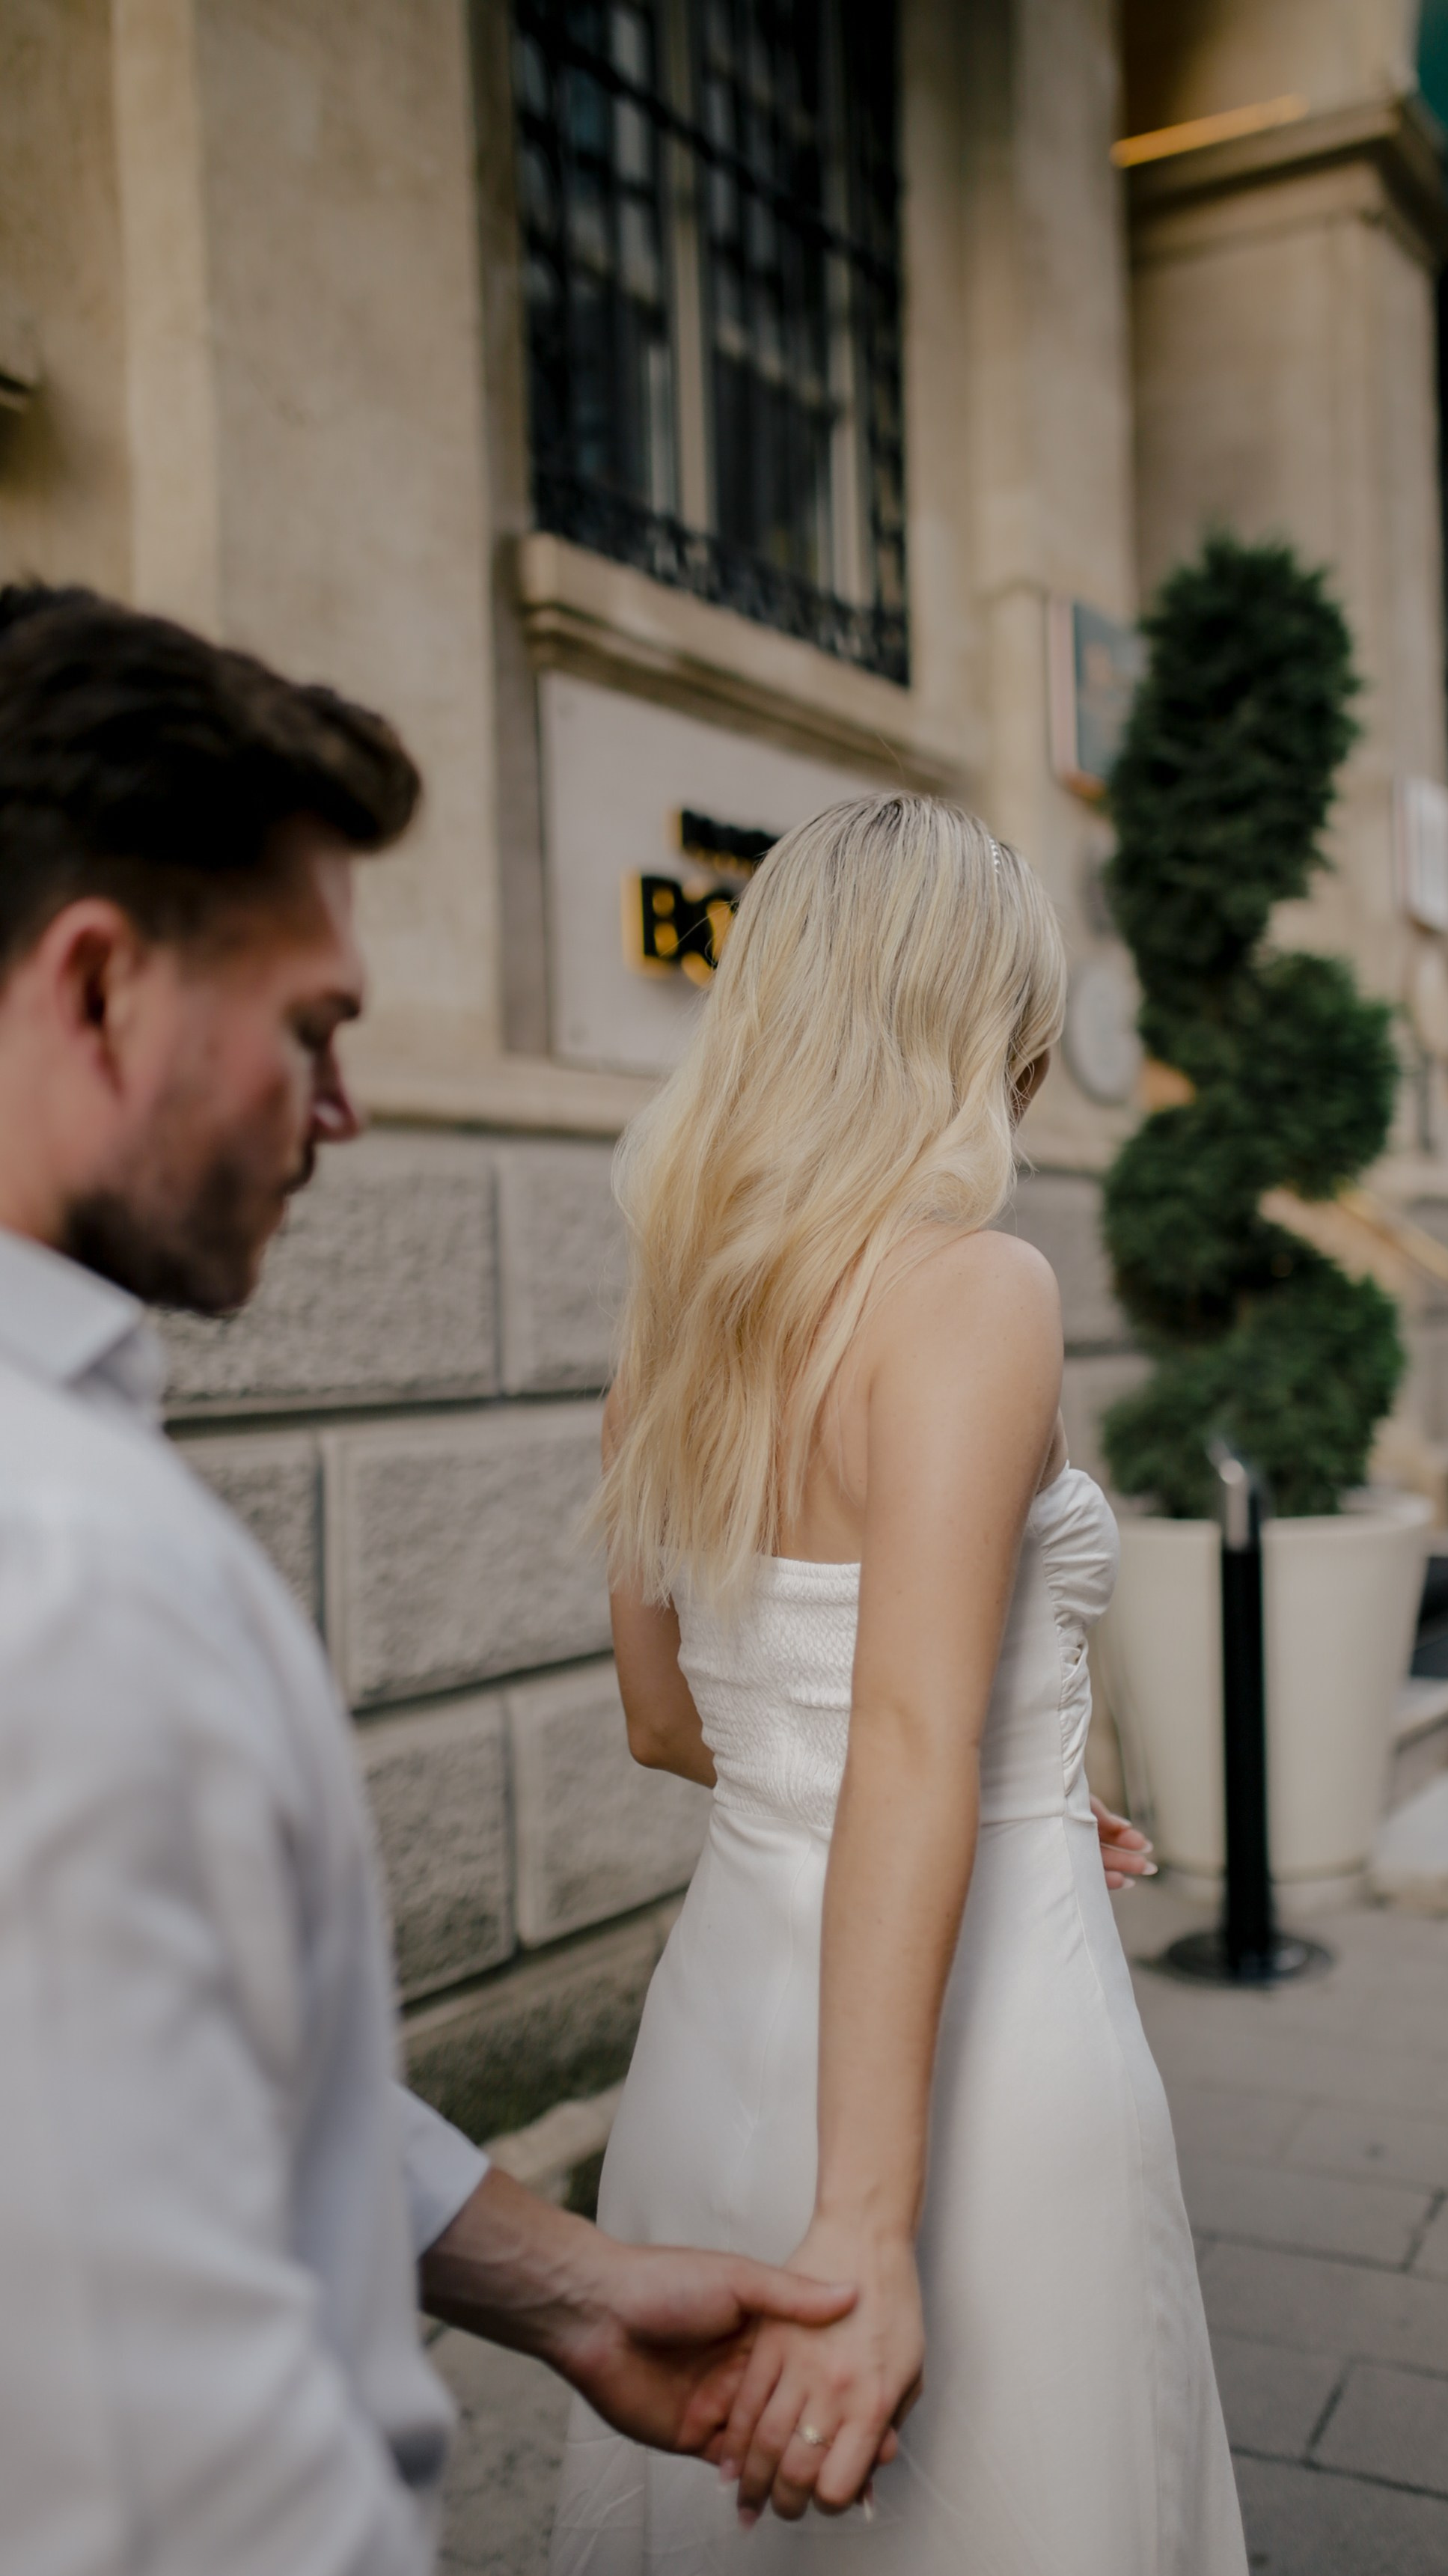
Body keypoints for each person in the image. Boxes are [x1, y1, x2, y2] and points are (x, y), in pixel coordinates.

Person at [0, 585, 867, 2575]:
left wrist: (564, 2287)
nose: (344, 1108)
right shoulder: (66, 1574)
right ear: (97, 987)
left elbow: (186, 2090)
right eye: (310, 1028)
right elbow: (158, 2481)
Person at [554, 796, 1247, 2572]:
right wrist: (866, 2225)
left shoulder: (668, 1338)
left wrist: (1020, 1772)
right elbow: (908, 1732)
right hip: (969, 2053)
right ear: (975, 1031)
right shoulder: (973, 1293)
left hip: (715, 2035)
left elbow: (668, 1719)